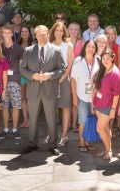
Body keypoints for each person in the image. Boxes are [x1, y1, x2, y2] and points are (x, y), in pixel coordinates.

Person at [20, 25, 66, 155]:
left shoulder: (56, 50)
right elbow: (22, 68)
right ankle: (32, 143)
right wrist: (32, 75)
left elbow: (62, 69)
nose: (41, 36)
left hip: (49, 89)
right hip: (33, 89)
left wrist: (50, 76)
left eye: (44, 34)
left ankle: (53, 144)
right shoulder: (29, 50)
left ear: (47, 34)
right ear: (35, 35)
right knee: (33, 118)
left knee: (51, 118)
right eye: (39, 34)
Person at [71, 40, 100, 152]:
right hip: (81, 96)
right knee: (83, 120)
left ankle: (88, 141)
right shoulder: (79, 61)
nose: (91, 49)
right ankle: (81, 143)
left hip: (93, 97)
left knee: (91, 120)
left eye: (93, 47)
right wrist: (74, 98)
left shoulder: (98, 60)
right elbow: (73, 80)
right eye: (89, 46)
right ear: (85, 48)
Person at [92, 48, 120, 160]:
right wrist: (92, 103)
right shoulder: (103, 69)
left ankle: (109, 150)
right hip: (99, 104)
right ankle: (107, 149)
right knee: (104, 128)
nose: (105, 61)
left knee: (99, 128)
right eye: (103, 58)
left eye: (108, 59)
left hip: (108, 106)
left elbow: (116, 94)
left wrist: (113, 110)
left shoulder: (115, 73)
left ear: (113, 58)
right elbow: (97, 87)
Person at [48, 22, 74, 146]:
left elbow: (70, 64)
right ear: (53, 31)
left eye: (61, 30)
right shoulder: (49, 45)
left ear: (64, 32)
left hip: (63, 79)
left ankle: (64, 135)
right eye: (57, 30)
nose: (59, 32)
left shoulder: (68, 45)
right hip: (51, 80)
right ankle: (51, 134)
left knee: (65, 107)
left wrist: (62, 78)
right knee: (51, 107)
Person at [0, 25, 24, 141]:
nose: (7, 35)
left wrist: (21, 81)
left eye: (9, 32)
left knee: (16, 106)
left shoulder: (18, 48)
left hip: (15, 81)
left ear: (12, 33)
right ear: (2, 34)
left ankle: (14, 129)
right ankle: (5, 129)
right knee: (4, 106)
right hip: (2, 82)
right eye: (5, 32)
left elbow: (22, 66)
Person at [18, 25, 33, 128]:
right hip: (21, 75)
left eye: (26, 31)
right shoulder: (17, 45)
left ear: (29, 33)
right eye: (22, 31)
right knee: (23, 97)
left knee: (31, 98)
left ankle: (32, 120)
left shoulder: (34, 45)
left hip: (32, 75)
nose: (24, 33)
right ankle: (25, 120)